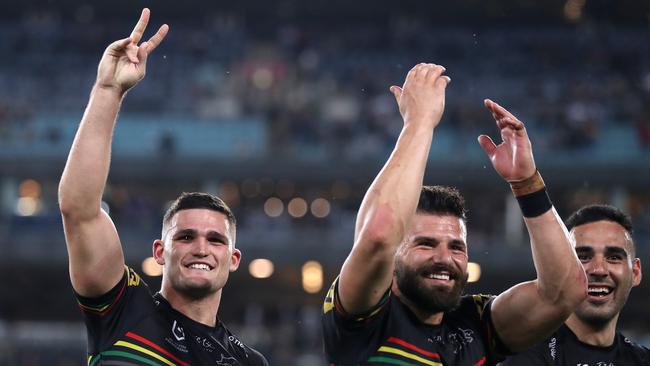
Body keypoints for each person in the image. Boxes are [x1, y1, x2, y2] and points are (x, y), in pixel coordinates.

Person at [322, 63, 588, 365]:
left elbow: (567, 290)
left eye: (456, 247)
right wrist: (419, 123)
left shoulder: (474, 326)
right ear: (394, 257)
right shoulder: (364, 317)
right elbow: (379, 234)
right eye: (425, 243)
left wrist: (527, 184)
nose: (444, 258)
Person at [58, 9, 267, 365]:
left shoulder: (249, 361)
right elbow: (79, 209)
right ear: (159, 252)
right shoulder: (124, 309)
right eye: (185, 237)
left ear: (233, 259)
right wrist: (108, 90)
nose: (201, 247)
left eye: (215, 239)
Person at [500, 204, 649, 365]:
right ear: (561, 268)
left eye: (613, 257)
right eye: (583, 257)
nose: (598, 270)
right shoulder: (527, 357)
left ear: (635, 273)